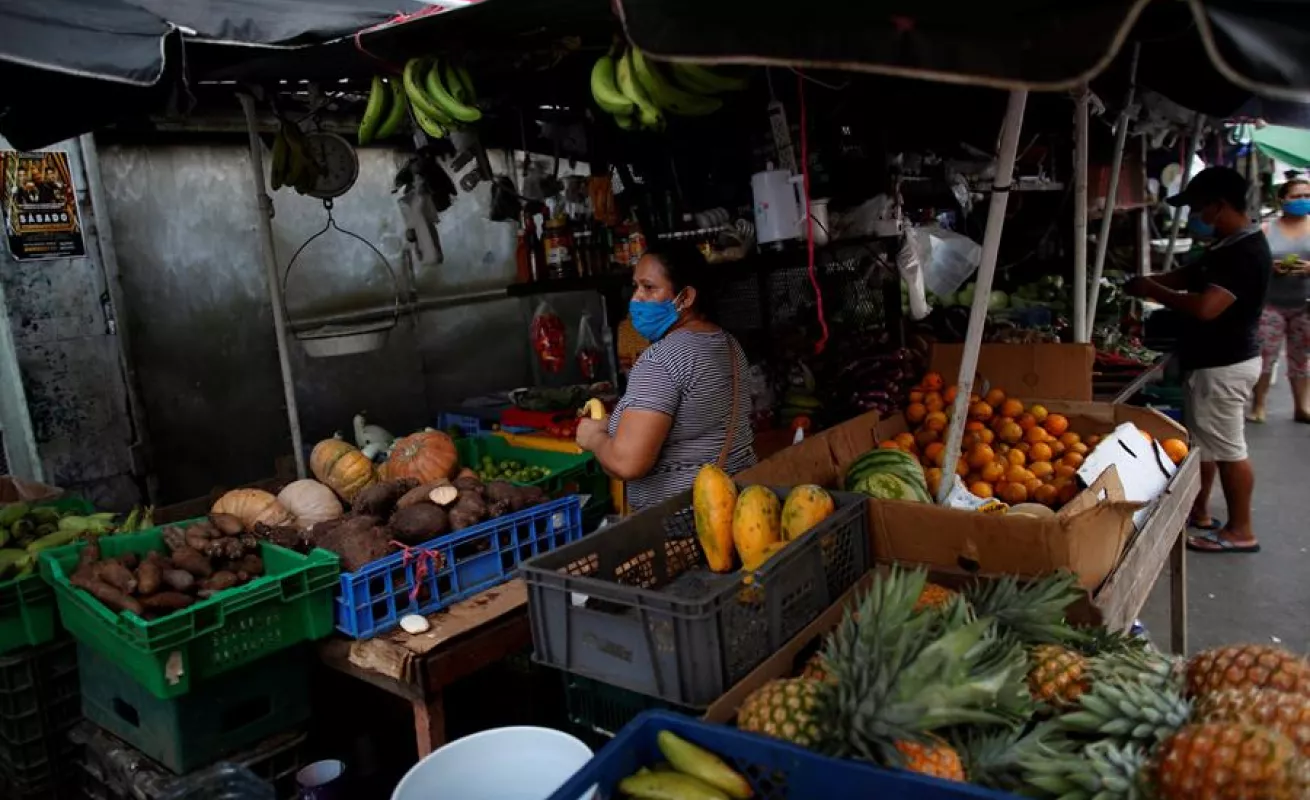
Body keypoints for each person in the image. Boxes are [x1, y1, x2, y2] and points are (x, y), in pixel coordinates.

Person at [1124, 166, 1270, 553]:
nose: (1195, 218)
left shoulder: (1244, 252)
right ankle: (1200, 512)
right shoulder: (1227, 244)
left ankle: (1242, 531)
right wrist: (1149, 280)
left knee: (1229, 449)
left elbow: (1207, 307)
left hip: (1225, 364)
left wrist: (1152, 289)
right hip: (1215, 361)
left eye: (1198, 209)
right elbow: (1191, 275)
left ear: (1219, 206)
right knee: (1207, 445)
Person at [576, 242, 756, 511]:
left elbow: (628, 463)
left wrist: (595, 439)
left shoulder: (662, 359)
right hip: (736, 505)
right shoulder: (727, 344)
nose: (636, 298)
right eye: (636, 286)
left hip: (684, 522)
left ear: (685, 298)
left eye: (649, 288)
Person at [1249, 176, 1310, 422]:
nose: (1303, 200)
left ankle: (1301, 406)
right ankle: (1258, 405)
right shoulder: (1266, 229)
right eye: (1296, 196)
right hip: (1270, 304)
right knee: (1265, 355)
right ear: (1282, 200)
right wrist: (1270, 267)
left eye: (1307, 196)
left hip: (1306, 304)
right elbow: (1253, 263)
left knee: (1301, 358)